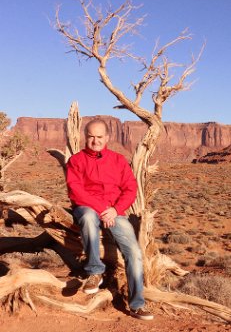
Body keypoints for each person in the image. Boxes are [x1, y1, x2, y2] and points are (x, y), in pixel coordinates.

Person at [66, 118, 153, 320]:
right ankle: (95, 272)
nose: (95, 141)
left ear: (107, 138)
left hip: (114, 212)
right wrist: (102, 209)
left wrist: (115, 209)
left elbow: (130, 188)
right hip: (86, 207)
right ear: (85, 137)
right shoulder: (76, 161)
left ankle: (137, 304)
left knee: (134, 252)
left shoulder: (118, 160)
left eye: (99, 137)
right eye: (91, 137)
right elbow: (75, 191)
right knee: (88, 218)